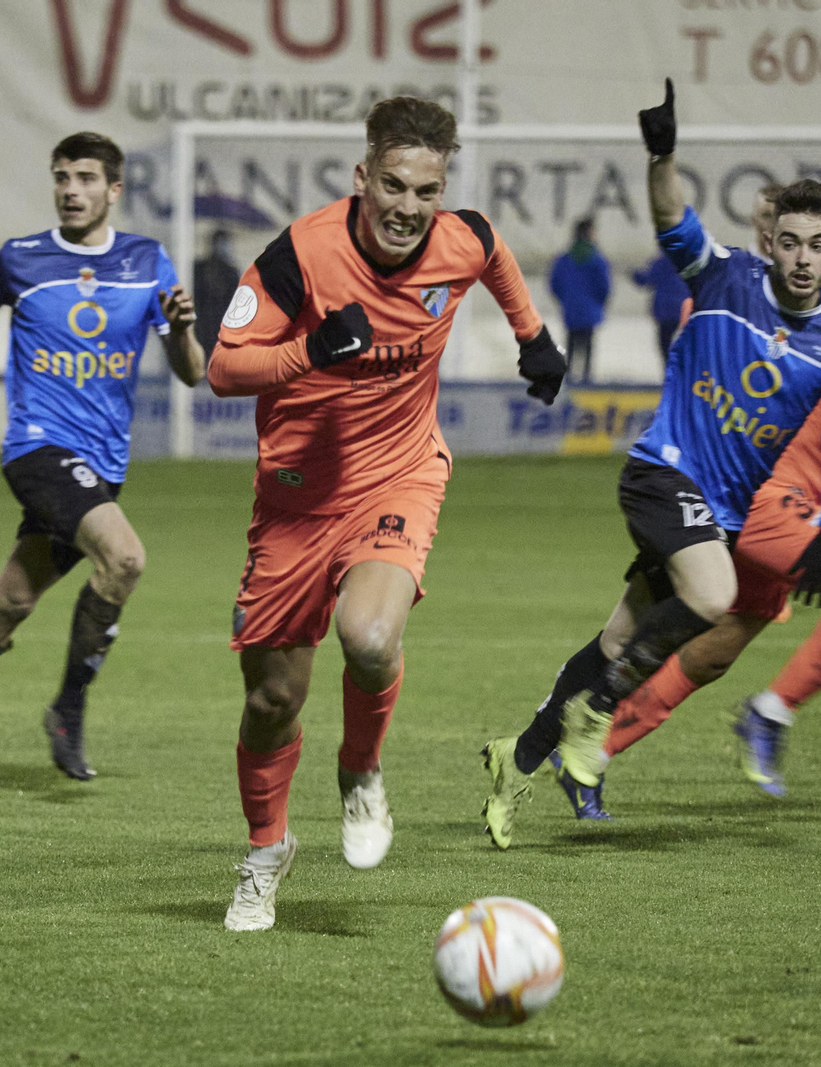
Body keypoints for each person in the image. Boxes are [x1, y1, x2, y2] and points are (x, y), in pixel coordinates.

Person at [479, 80, 821, 850]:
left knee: (618, 635)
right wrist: (662, 156)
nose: (800, 256)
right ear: (771, 242)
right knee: (717, 593)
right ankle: (595, 718)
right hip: (663, 471)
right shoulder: (723, 275)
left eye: (816, 244)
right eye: (788, 240)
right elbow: (671, 218)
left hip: (719, 511)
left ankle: (517, 757)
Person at [208, 95, 569, 929]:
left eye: (427, 190)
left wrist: (532, 335)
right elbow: (225, 368)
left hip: (400, 476)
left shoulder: (460, 237)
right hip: (295, 504)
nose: (409, 207)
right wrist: (309, 351)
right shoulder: (302, 253)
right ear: (362, 176)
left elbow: (494, 253)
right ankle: (267, 850)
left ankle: (361, 770)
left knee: (370, 637)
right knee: (271, 701)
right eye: (395, 186)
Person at [562, 204, 821, 813]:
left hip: (805, 511)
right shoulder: (809, 311)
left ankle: (591, 754)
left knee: (711, 653)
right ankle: (770, 713)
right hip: (761, 502)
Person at [0, 132, 205, 794]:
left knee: (9, 601)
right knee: (123, 558)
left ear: (114, 190)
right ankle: (68, 707)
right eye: (62, 176)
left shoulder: (147, 261)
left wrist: (179, 329)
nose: (71, 188)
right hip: (38, 448)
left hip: (104, 463)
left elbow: (192, 373)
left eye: (87, 178)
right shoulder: (20, 258)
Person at [548, 217, 611, 382]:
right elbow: (604, 287)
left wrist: (565, 299)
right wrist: (599, 303)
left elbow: (554, 284)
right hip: (590, 311)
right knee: (588, 349)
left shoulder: (564, 259)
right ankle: (586, 381)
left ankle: (568, 380)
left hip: (571, 310)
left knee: (570, 345)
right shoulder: (597, 259)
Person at [193, 228, 241, 355]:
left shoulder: (231, 272)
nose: (221, 248)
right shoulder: (199, 268)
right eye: (219, 243)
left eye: (224, 244)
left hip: (220, 328)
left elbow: (234, 303)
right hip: (201, 326)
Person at [632, 251, 687, 360]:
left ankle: (669, 369)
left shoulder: (660, 262)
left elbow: (646, 280)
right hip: (684, 308)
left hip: (665, 310)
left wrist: (634, 275)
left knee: (664, 343)